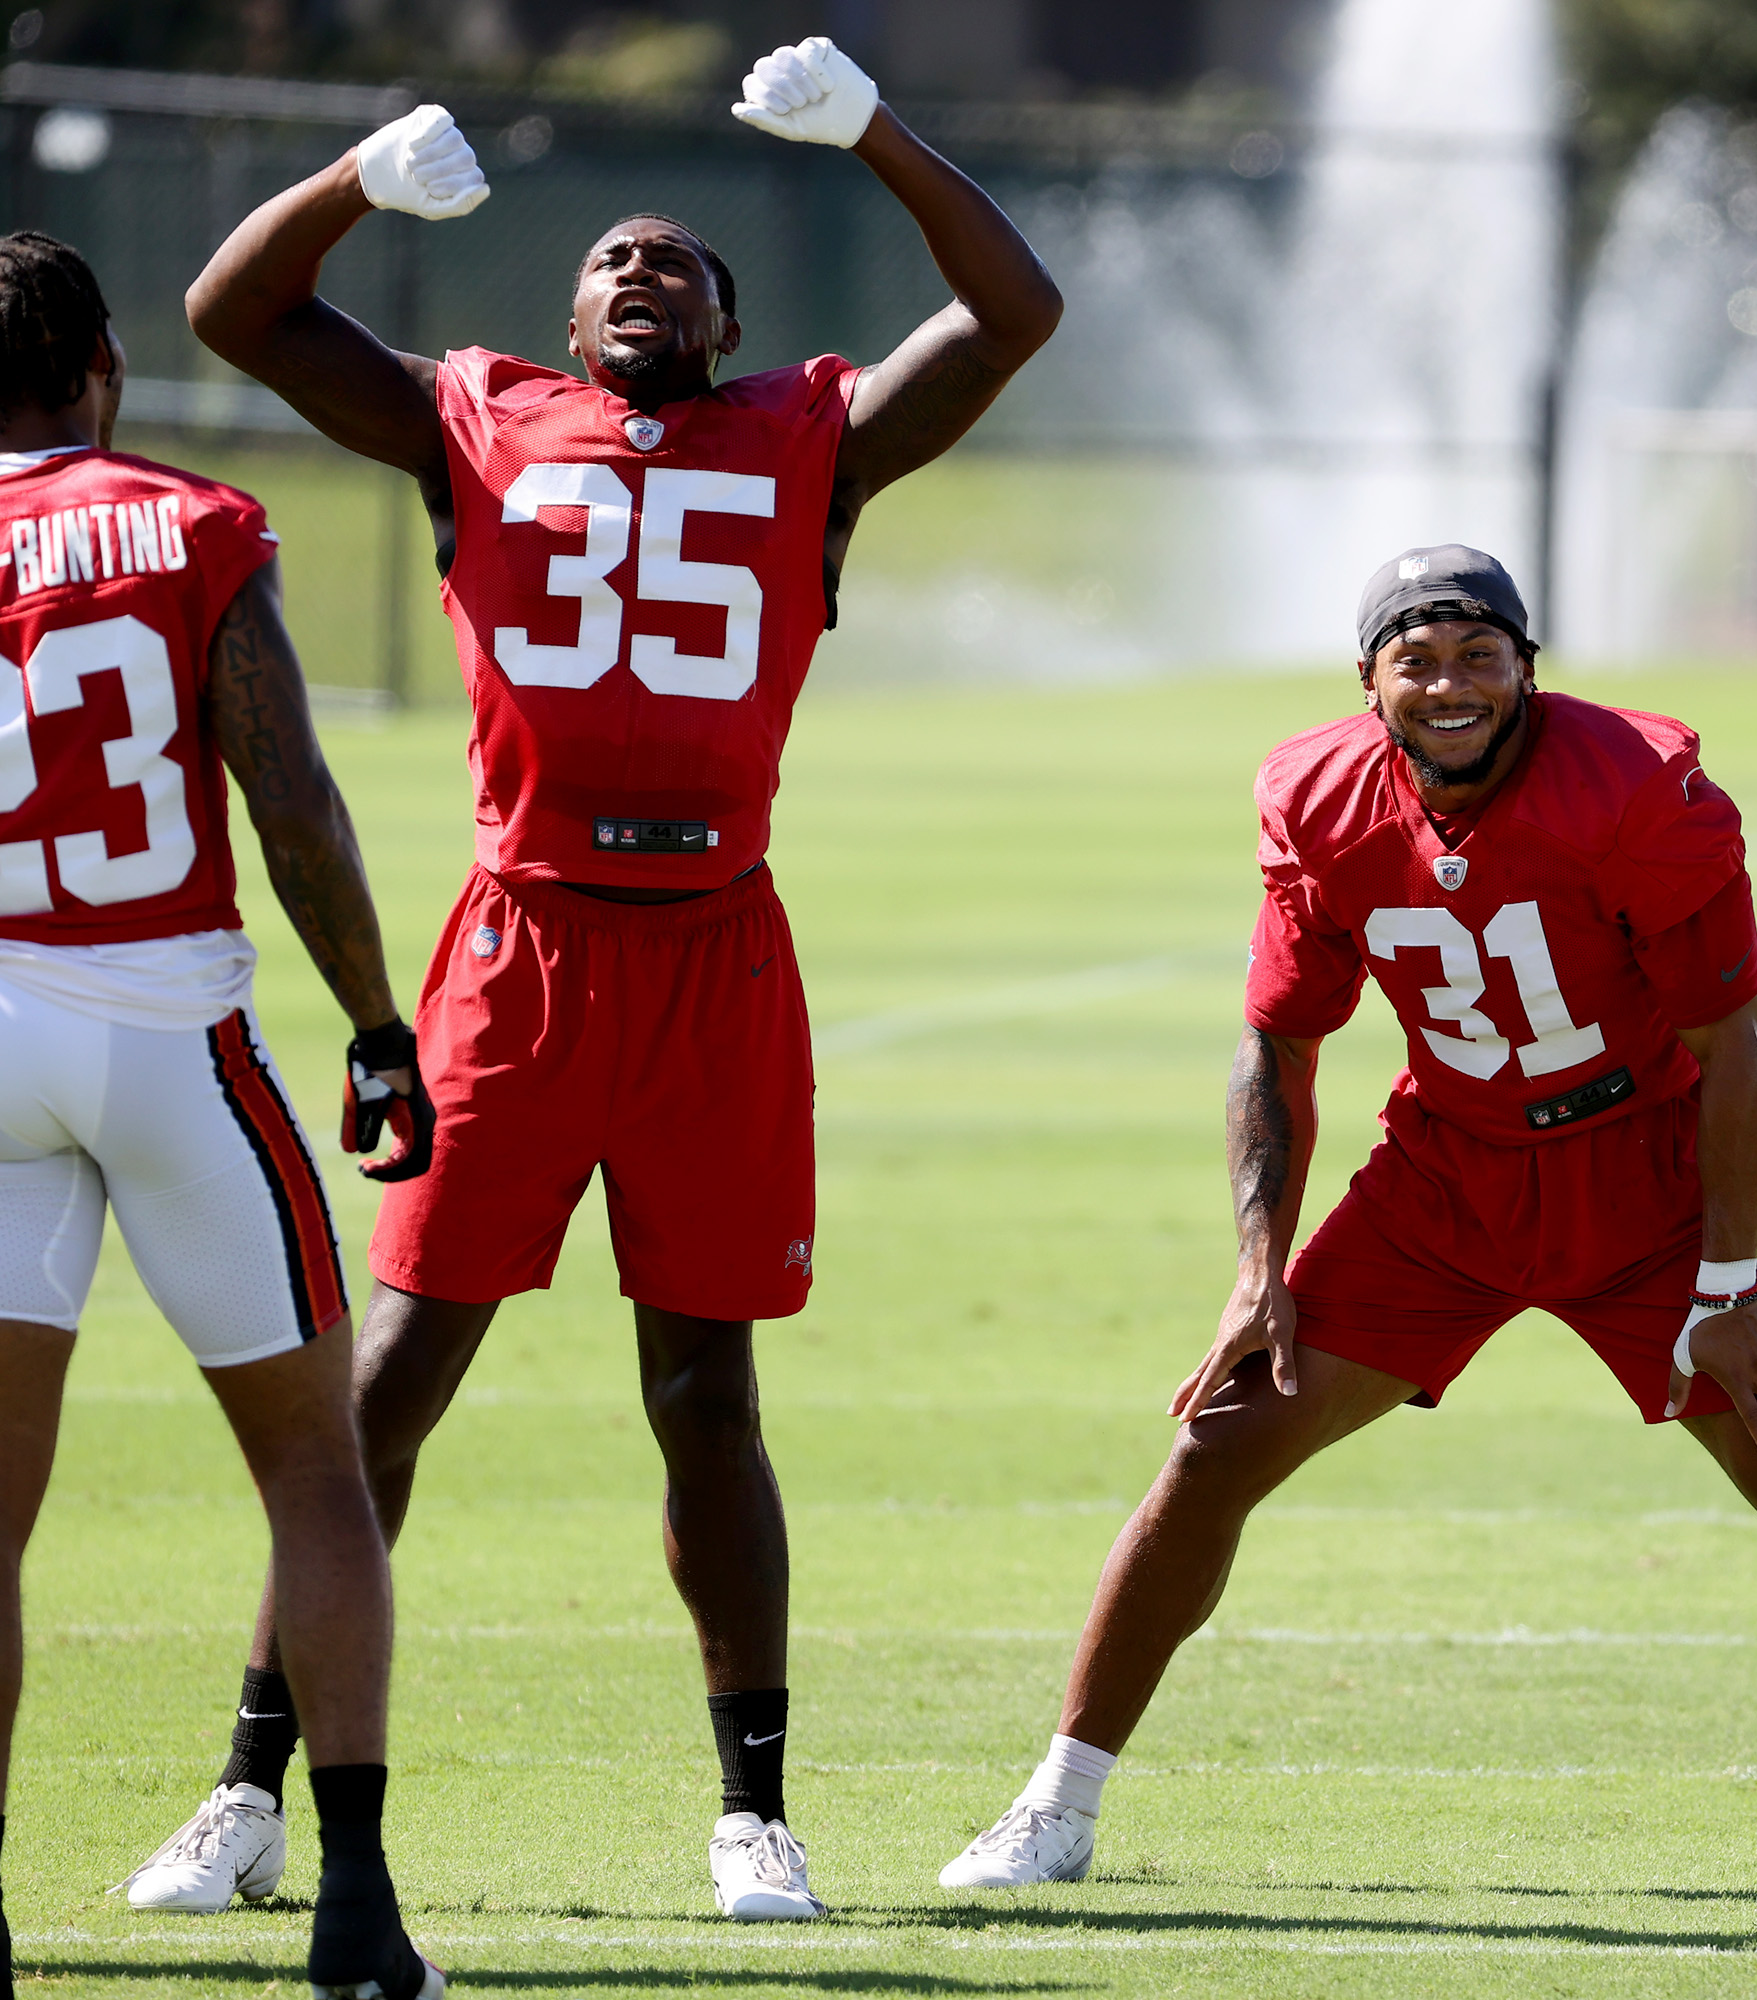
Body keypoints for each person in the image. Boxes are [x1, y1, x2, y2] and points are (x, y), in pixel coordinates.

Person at [129, 38, 1063, 1925]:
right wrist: (355, 180)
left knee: (705, 1394)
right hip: (524, 945)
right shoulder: (479, 419)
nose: (642, 272)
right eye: (612, 259)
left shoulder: (813, 435)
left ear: (728, 318)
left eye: (682, 262)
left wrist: (878, 130)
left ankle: (751, 1810)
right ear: (565, 311)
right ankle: (245, 1788)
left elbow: (1012, 308)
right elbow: (236, 312)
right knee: (390, 1387)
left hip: (718, 955)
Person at [936, 545, 1757, 1906]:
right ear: (1368, 680)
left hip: (1644, 1180)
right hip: (1446, 1179)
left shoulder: (1631, 784)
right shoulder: (1318, 793)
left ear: (1528, 665)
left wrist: (1729, 1279)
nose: (1449, 685)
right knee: (1214, 1451)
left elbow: (1734, 1044)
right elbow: (1277, 1045)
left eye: (1478, 656)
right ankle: (1058, 1806)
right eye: (1418, 659)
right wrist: (1255, 1270)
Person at [0, 233, 442, 1999]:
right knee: (315, 1471)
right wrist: (377, 1024)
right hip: (170, 1027)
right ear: (102, 366)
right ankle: (353, 1912)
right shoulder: (182, 521)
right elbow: (292, 796)